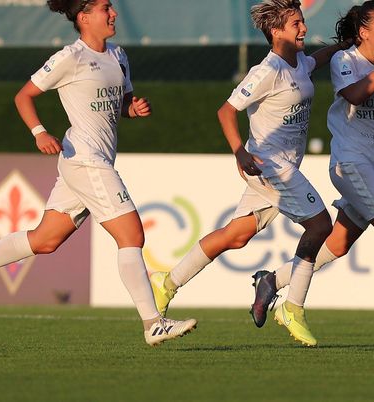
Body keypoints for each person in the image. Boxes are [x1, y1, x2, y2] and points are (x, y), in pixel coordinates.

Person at [0, 0, 196, 347]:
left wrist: (132, 109)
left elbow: (119, 103)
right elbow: (24, 96)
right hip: (85, 159)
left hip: (93, 160)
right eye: (105, 8)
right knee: (132, 235)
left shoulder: (119, 56)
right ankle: (153, 323)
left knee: (45, 240)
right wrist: (39, 132)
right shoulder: (69, 58)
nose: (113, 14)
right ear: (84, 16)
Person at [148, 0, 347, 347]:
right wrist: (239, 150)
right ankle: (292, 308)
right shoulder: (266, 71)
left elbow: (318, 58)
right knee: (320, 225)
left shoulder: (299, 61)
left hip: (283, 165)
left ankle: (167, 282)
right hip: (268, 164)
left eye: (302, 22)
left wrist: (343, 46)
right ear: (276, 31)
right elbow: (226, 111)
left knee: (236, 235)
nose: (303, 29)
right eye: (296, 24)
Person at [250, 0, 374, 344]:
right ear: (363, 32)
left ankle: (272, 281)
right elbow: (355, 95)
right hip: (350, 164)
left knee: (337, 244)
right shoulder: (345, 60)